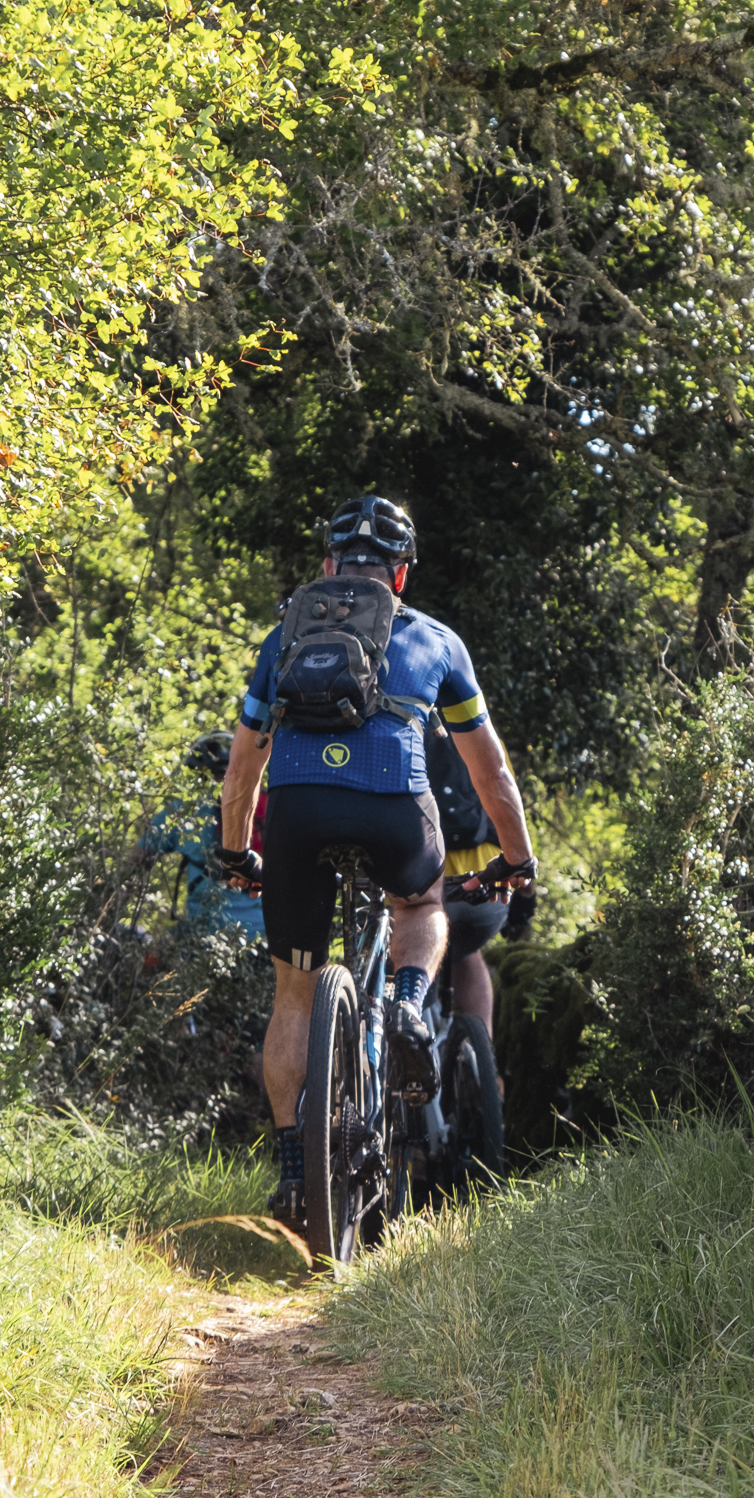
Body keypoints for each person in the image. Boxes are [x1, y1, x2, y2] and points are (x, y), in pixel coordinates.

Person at [213, 494, 536, 1228]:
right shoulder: (438, 641)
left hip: (296, 817)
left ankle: (296, 1168)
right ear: (402, 575)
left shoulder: (285, 636)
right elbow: (493, 777)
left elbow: (241, 771)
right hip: (394, 811)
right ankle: (409, 1004)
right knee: (420, 907)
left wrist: (236, 849)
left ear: (329, 566)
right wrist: (518, 861)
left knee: (294, 994)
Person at [427, 714, 535, 1033]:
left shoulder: (392, 736)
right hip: (485, 893)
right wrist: (526, 897)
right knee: (467, 952)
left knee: (404, 953)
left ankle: (411, 1046)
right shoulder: (485, 740)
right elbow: (515, 827)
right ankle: (483, 1061)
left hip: (425, 888)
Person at [140, 733, 264, 940]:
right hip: (268, 935)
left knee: (155, 954)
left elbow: (135, 862)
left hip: (206, 935)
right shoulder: (265, 805)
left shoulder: (182, 810)